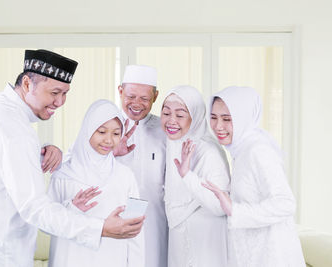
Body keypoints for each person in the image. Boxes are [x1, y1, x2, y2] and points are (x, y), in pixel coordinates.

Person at [0, 49, 144, 267]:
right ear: (27, 84)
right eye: (54, 93)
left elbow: (6, 162)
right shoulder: (17, 131)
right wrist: (100, 228)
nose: (60, 102)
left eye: (65, 94)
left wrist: (42, 151)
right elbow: (36, 208)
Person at [203, 86, 305, 267]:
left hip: (273, 257)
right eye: (213, 117)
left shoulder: (258, 151)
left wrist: (235, 210)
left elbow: (286, 203)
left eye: (227, 119)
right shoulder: (240, 150)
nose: (218, 126)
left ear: (243, 118)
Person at [47, 99, 144, 267]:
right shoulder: (62, 174)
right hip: (70, 259)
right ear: (87, 130)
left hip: (113, 259)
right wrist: (71, 207)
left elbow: (136, 228)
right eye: (101, 132)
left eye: (115, 133)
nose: (108, 140)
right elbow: (45, 223)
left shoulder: (127, 176)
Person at [161, 85, 230, 267]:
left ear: (196, 116)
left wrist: (188, 176)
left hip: (205, 244)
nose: (171, 121)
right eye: (166, 113)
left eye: (180, 115)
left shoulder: (209, 152)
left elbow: (220, 206)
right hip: (179, 241)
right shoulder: (172, 144)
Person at [115, 64, 168, 267]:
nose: (136, 104)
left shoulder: (166, 130)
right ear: (120, 91)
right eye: (131, 96)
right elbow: (78, 162)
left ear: (155, 97)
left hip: (155, 220)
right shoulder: (103, 126)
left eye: (144, 98)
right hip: (115, 218)